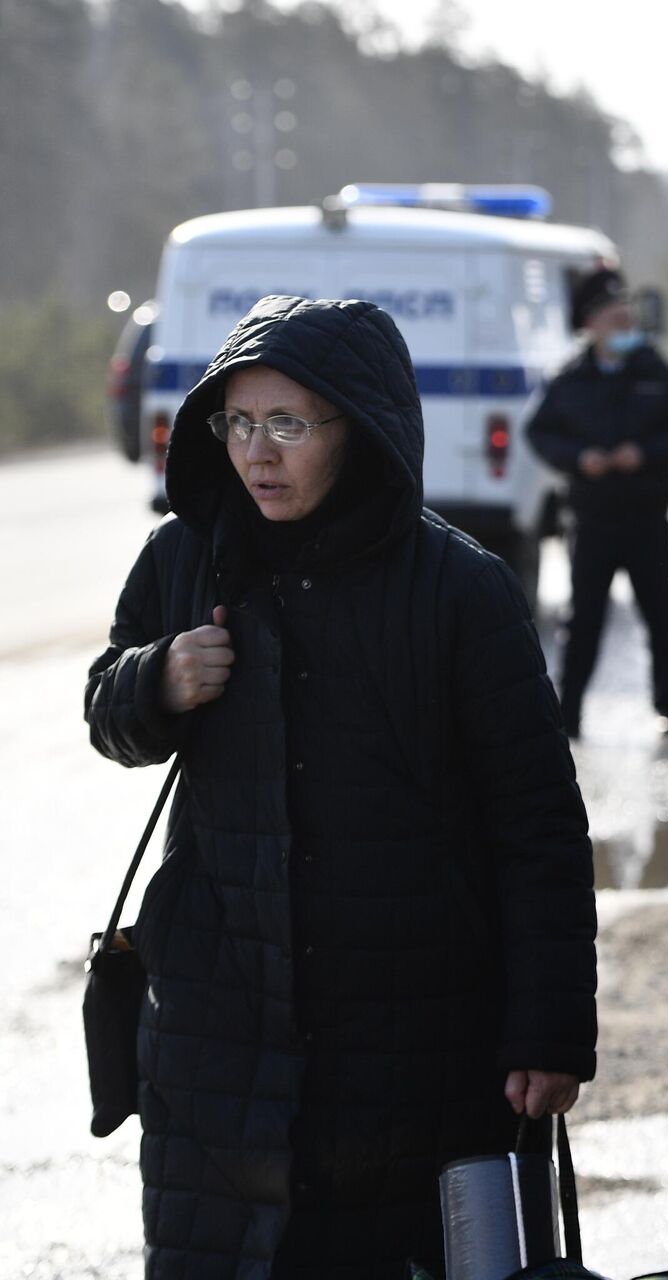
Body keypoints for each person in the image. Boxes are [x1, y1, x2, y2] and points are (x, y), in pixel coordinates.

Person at [85, 296, 599, 1277]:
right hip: (219, 1038)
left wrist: (550, 1024)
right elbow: (106, 708)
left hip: (411, 1038)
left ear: (356, 428)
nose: (257, 452)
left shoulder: (460, 589)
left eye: (288, 423)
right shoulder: (185, 556)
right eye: (238, 423)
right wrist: (155, 677)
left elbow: (536, 823)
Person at [528, 266, 668, 738]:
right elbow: (539, 432)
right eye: (612, 316)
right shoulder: (570, 378)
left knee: (659, 616)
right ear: (590, 324)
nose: (623, 322)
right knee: (583, 620)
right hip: (593, 520)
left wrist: (644, 454)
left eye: (625, 314)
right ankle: (570, 715)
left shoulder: (655, 369)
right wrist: (578, 458)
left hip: (647, 517)